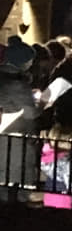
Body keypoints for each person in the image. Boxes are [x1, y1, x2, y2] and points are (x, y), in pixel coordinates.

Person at [0, 37, 40, 197]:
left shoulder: (5, 78)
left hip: (5, 133)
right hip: (15, 135)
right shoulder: (17, 83)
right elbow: (29, 113)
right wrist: (41, 104)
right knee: (17, 174)